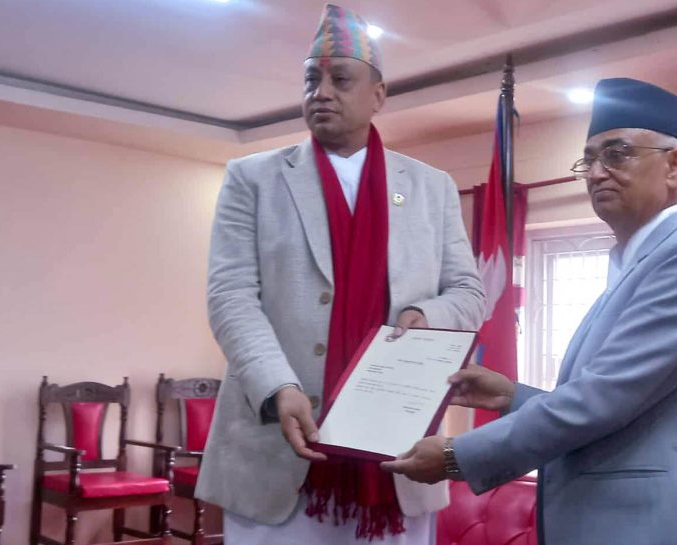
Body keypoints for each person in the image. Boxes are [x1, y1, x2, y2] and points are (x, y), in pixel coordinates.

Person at [382, 78, 677, 545]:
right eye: (590, 159)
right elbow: (622, 404)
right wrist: (510, 395)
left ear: (675, 165)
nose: (596, 173)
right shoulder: (638, 263)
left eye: (617, 154)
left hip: (657, 526)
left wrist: (459, 455)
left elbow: (603, 399)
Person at [195, 4, 485, 544]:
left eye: (341, 80)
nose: (321, 92)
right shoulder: (252, 179)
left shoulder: (431, 187)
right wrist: (278, 386)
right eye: (312, 80)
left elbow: (469, 292)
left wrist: (426, 315)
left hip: (397, 452)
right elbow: (230, 296)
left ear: (378, 95)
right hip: (279, 453)